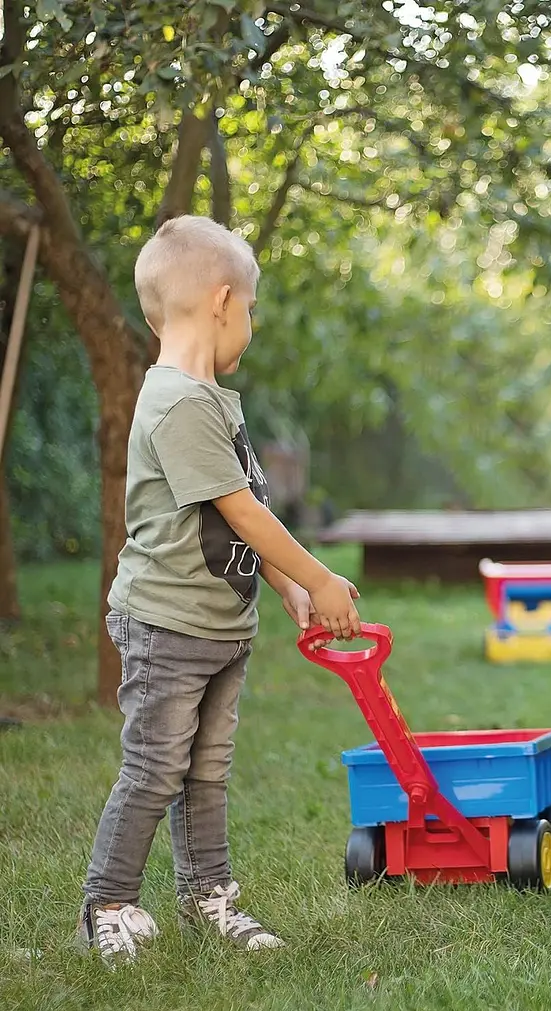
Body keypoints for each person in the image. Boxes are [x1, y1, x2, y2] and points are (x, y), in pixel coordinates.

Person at [78, 215, 362, 963]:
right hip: (167, 626)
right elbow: (238, 510)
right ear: (223, 301)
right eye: (253, 308)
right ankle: (107, 905)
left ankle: (209, 898)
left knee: (206, 772)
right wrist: (319, 576)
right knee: (155, 769)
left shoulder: (208, 402)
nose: (253, 323)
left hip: (218, 628)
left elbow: (242, 514)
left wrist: (283, 585)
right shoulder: (176, 403)